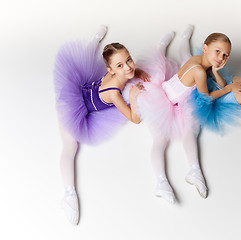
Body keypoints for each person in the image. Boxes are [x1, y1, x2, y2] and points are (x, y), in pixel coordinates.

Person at [130, 25, 241, 204]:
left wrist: (216, 71)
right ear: (205, 48)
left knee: (191, 130)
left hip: (179, 99)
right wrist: (229, 88)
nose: (221, 58)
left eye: (225, 55)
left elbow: (219, 83)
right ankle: (161, 182)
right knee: (160, 140)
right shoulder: (199, 71)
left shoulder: (200, 62)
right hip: (162, 99)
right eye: (218, 52)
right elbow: (206, 97)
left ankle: (194, 170)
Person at [54, 26, 148, 225]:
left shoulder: (119, 74)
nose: (128, 68)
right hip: (70, 105)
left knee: (89, 63)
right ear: (111, 70)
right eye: (120, 66)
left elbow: (128, 71)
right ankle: (69, 195)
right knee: (71, 147)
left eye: (129, 60)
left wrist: (135, 71)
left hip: (87, 90)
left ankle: (95, 41)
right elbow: (135, 118)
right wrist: (133, 97)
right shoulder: (115, 93)